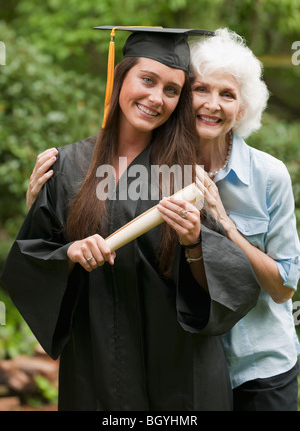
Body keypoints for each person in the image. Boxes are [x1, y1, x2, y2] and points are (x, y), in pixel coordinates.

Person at [1, 26, 259, 411]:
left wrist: (194, 242)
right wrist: (70, 254)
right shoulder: (69, 166)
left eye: (171, 90)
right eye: (147, 80)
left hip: (178, 371)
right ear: (121, 77)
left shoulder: (188, 177)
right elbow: (31, 259)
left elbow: (233, 284)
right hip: (97, 364)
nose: (156, 98)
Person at [188, 28, 300, 411]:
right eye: (200, 89)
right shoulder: (159, 171)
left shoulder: (269, 176)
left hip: (261, 369)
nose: (212, 104)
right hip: (191, 371)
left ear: (243, 108)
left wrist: (226, 224)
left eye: (227, 94)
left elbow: (284, 288)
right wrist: (39, 198)